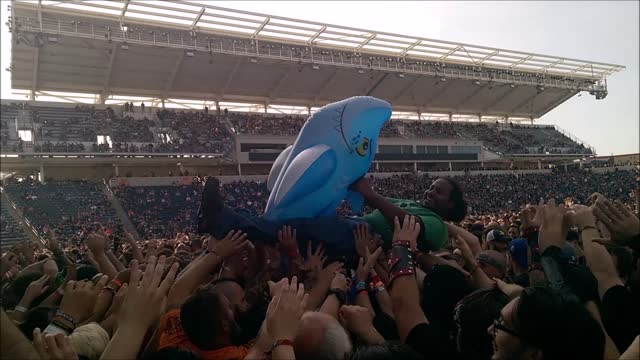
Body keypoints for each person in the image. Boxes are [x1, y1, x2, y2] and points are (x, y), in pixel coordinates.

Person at [197, 176, 467, 260]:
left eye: (439, 192)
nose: (431, 191)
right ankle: (223, 217)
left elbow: (410, 226)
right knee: (291, 225)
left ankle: (220, 219)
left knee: (295, 229)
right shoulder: (410, 202)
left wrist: (370, 195)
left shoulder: (438, 227)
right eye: (431, 186)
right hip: (354, 226)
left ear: (451, 204)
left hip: (362, 239)